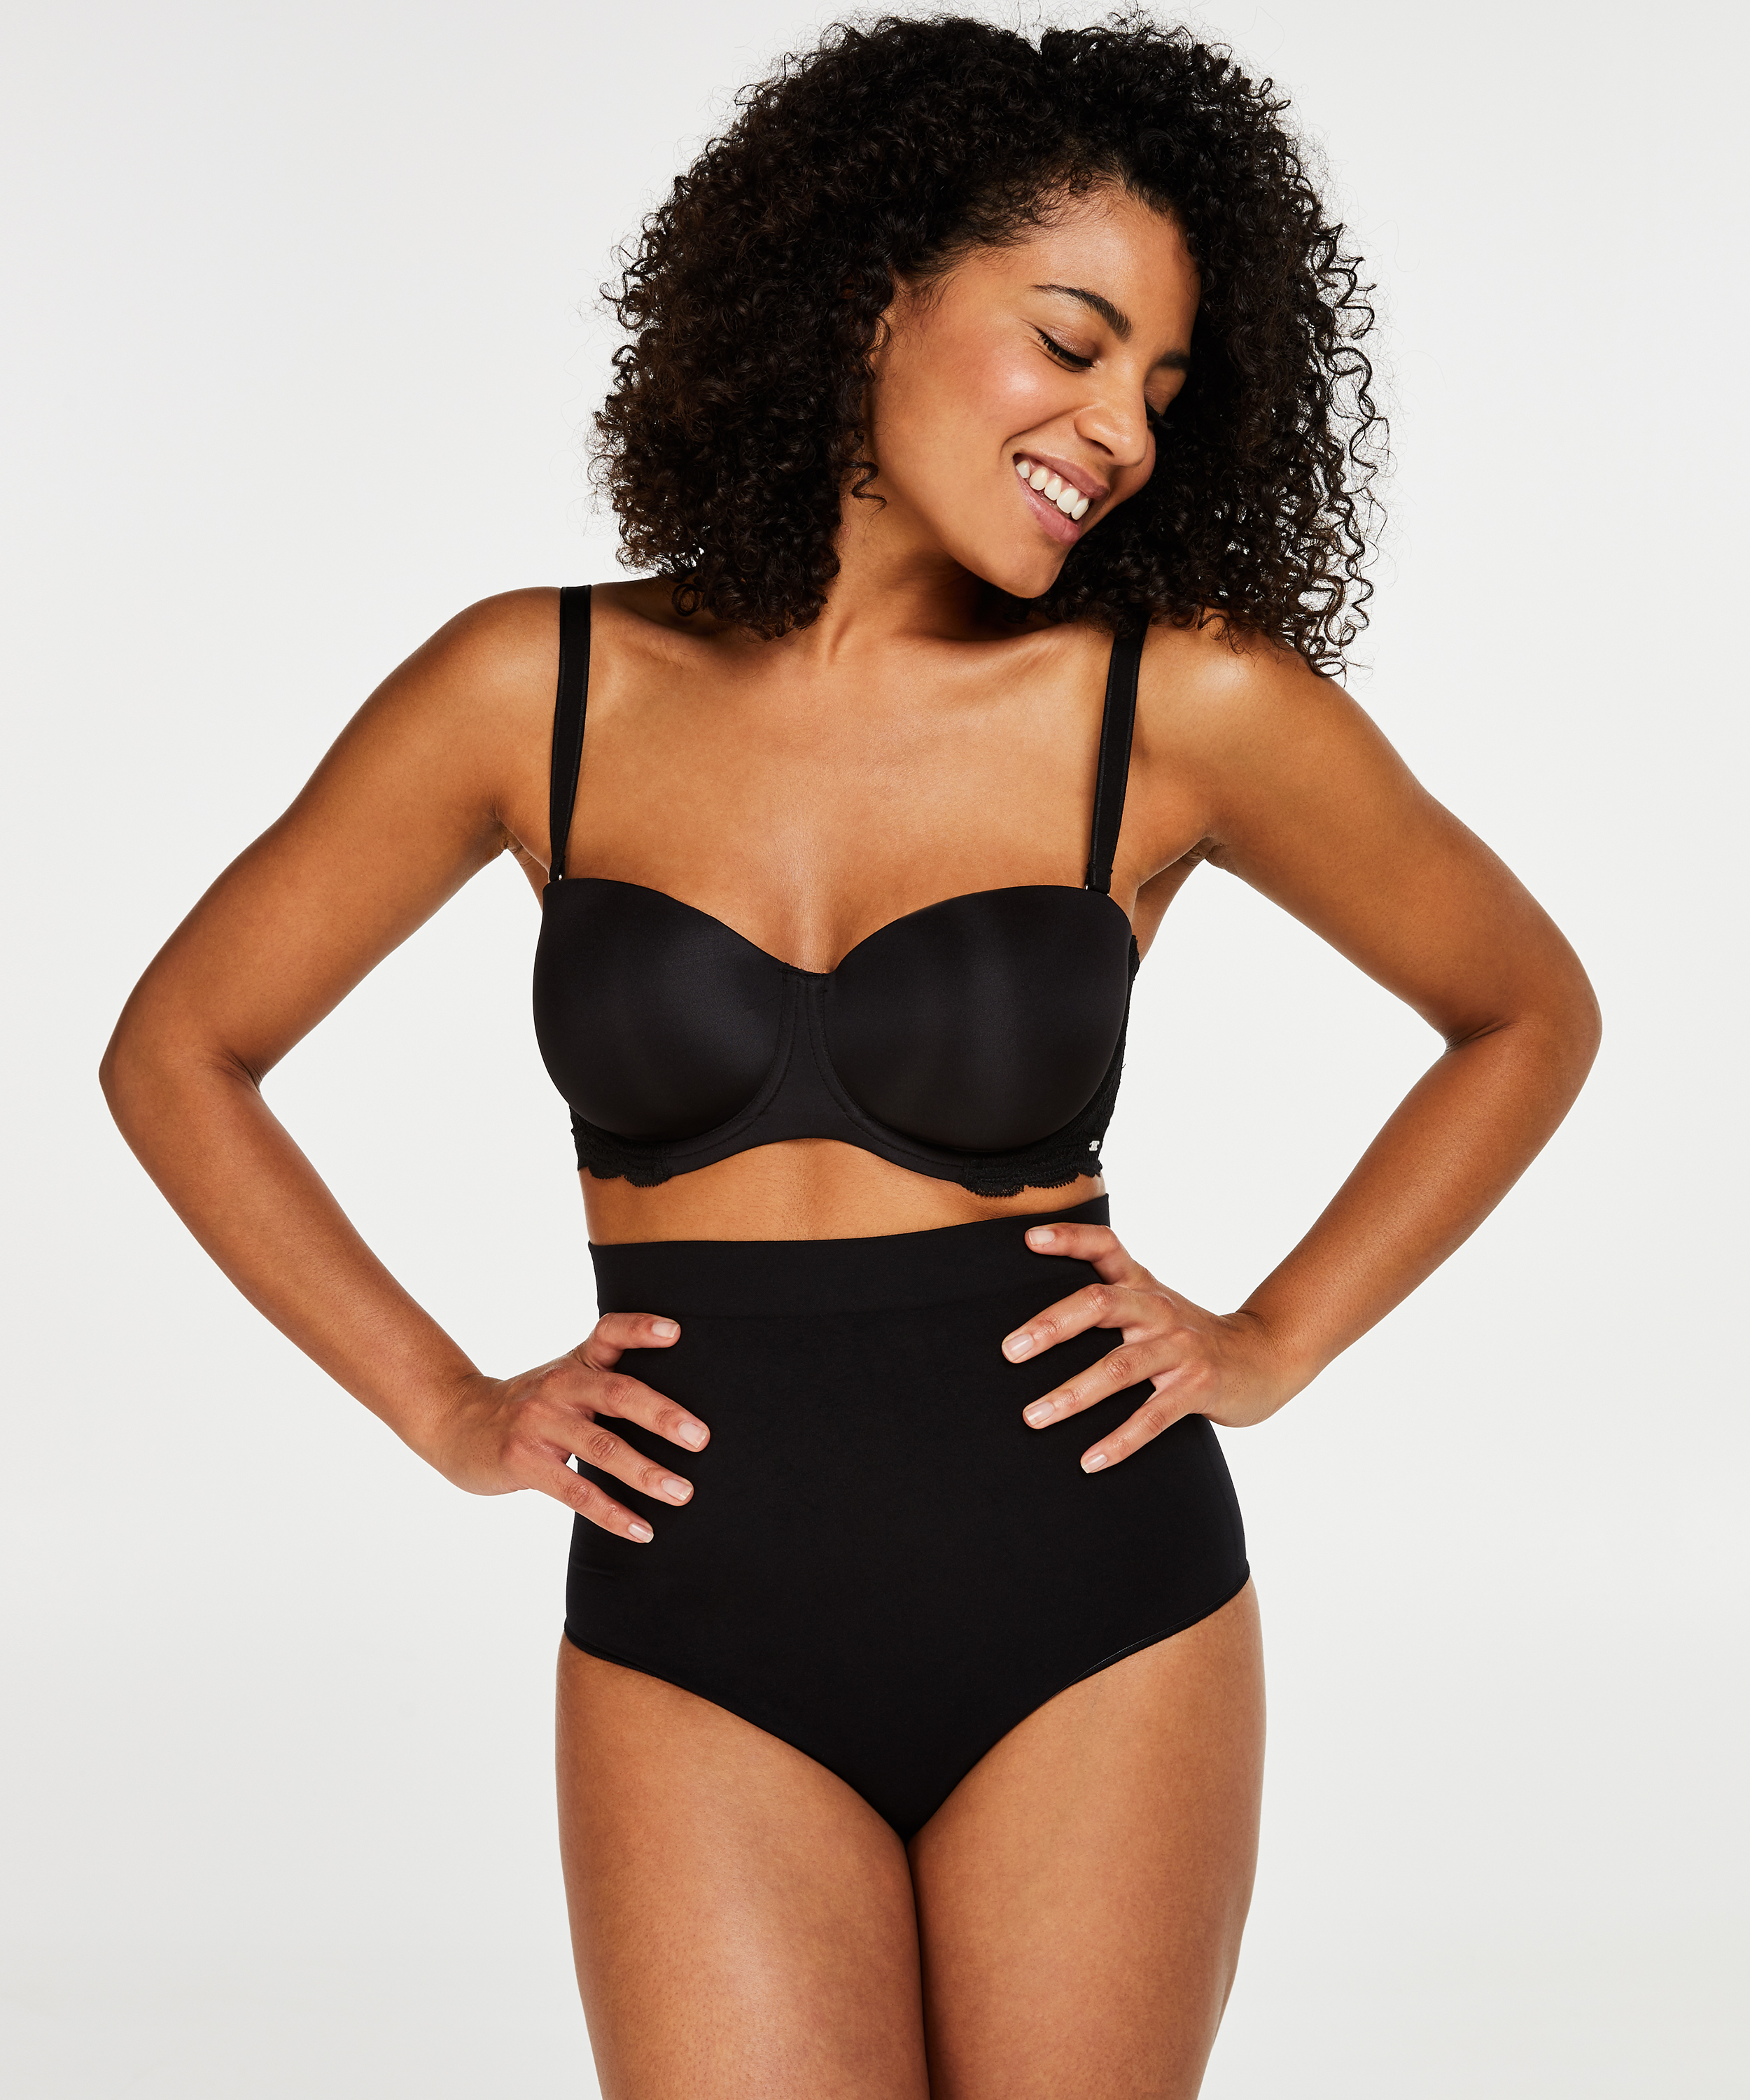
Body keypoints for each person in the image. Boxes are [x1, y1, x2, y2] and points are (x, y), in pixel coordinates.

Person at [100, 16, 1600, 2098]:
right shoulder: (534, 686)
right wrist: (446, 1406)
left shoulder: (1177, 707)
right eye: (1070, 343)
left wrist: (1275, 1340)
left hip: (1094, 1598)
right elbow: (180, 1050)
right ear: (874, 290)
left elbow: (1525, 1009)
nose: (1118, 431)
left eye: (1163, 391)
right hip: (693, 1620)